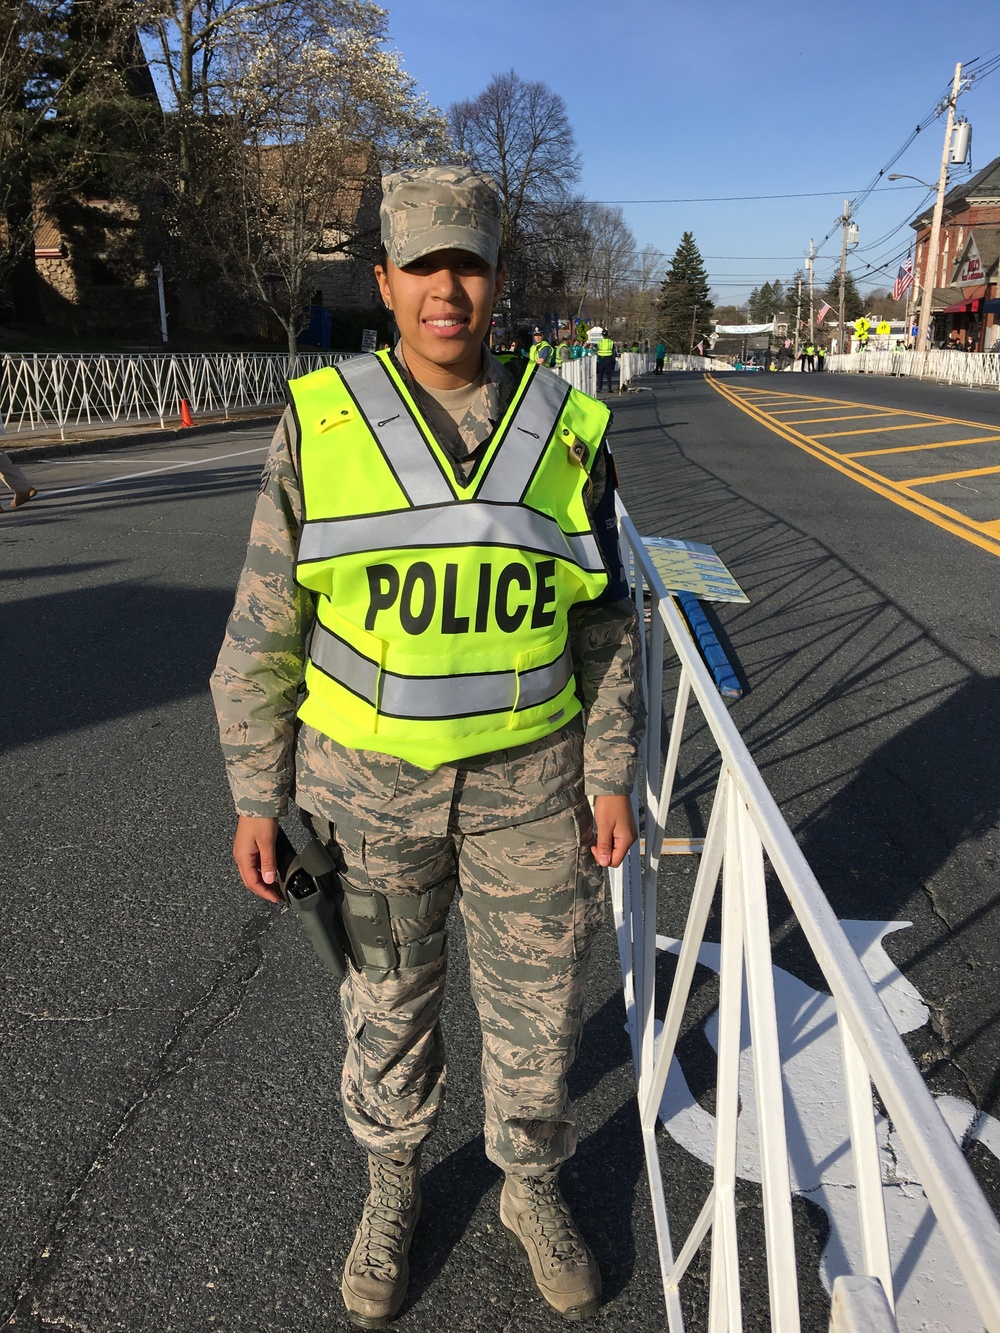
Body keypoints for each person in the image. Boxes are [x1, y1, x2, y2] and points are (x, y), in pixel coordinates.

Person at [210, 164, 644, 1329]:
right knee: (387, 1010)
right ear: (385, 279)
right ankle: (391, 1186)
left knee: (538, 1016)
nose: (446, 288)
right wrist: (258, 792)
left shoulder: (566, 429)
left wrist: (610, 771)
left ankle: (530, 1186)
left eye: (469, 262)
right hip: (367, 799)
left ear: (498, 277)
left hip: (531, 793)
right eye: (422, 264)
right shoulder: (323, 420)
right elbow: (265, 622)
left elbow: (603, 623)